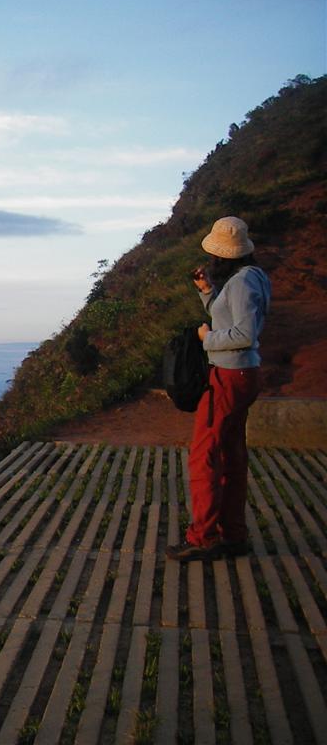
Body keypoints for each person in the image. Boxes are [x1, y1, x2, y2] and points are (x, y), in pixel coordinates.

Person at [167, 216, 271, 562]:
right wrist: (207, 293)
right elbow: (230, 318)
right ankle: (233, 533)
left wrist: (205, 338)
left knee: (204, 454)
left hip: (230, 377)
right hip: (243, 375)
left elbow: (244, 334)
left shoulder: (241, 284)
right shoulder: (252, 278)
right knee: (230, 452)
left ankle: (204, 536)